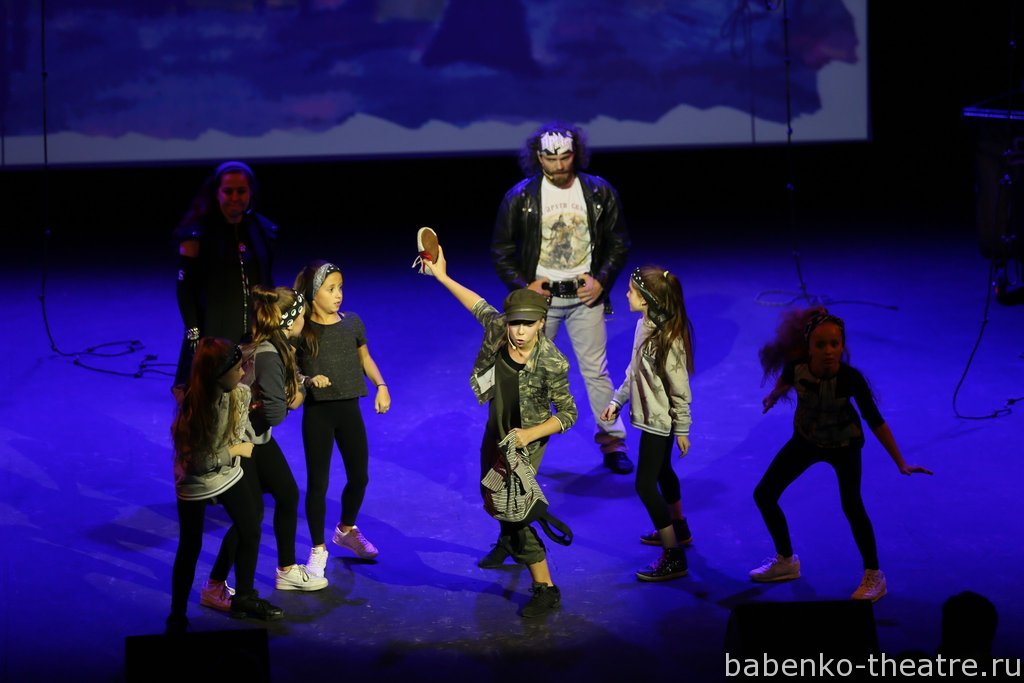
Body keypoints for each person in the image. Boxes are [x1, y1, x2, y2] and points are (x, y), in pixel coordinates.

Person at [424, 245, 577, 617]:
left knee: (517, 512)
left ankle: (545, 587)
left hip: (525, 444)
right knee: (491, 492)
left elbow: (568, 414)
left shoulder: (552, 362)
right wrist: (442, 276)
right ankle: (507, 541)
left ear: (541, 323)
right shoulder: (498, 329)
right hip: (497, 430)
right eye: (514, 323)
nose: (519, 331)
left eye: (528, 324)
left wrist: (528, 435)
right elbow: (476, 304)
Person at [751, 307, 933, 602]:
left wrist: (900, 461)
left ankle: (874, 575)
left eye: (834, 344)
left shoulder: (851, 378)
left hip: (844, 447)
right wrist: (774, 395)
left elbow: (875, 421)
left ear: (842, 346)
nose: (828, 351)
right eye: (820, 344)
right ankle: (786, 561)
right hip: (806, 441)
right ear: (809, 347)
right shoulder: (797, 366)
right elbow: (786, 378)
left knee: (852, 506)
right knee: (764, 494)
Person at [491, 122, 632, 474]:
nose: (559, 165)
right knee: (529, 373)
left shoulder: (598, 191)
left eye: (565, 157)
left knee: (596, 372)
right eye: (551, 159)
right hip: (541, 302)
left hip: (585, 297)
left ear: (575, 154)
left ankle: (613, 441)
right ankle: (520, 446)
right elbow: (501, 250)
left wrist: (602, 281)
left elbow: (618, 243)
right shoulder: (520, 197)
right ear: (538, 158)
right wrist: (524, 286)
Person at [200, 287, 328, 612]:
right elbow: (276, 413)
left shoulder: (269, 344)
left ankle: (286, 569)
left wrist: (301, 382)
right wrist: (297, 397)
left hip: (258, 438)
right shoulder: (269, 354)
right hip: (242, 443)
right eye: (302, 316)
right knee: (250, 517)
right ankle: (218, 587)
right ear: (289, 322)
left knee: (287, 494)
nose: (305, 320)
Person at [166, 337, 283, 634]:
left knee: (250, 526)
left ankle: (244, 596)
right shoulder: (193, 410)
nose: (243, 373)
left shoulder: (240, 393)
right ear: (217, 374)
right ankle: (177, 615)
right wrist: (233, 451)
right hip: (195, 482)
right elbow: (195, 463)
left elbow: (239, 431)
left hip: (228, 473)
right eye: (237, 369)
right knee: (190, 545)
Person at [293, 261, 390, 577]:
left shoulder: (352, 323)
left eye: (340, 288)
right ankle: (317, 548)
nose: (338, 295)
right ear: (313, 294)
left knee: (360, 477)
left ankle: (346, 530)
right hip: (319, 413)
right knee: (318, 484)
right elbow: (291, 370)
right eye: (330, 289)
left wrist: (381, 386)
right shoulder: (303, 330)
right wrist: (308, 380)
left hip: (349, 410)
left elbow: (365, 358)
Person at [601, 266, 694, 582]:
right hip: (652, 418)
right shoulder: (645, 325)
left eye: (631, 291)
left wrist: (682, 428)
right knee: (664, 471)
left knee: (644, 484)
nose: (626, 294)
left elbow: (680, 388)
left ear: (647, 299)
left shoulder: (666, 337)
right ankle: (679, 528)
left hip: (660, 421)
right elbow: (635, 369)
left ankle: (673, 556)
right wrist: (617, 401)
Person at [173, 160, 277, 389]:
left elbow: (267, 279)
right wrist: (193, 331)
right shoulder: (196, 234)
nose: (235, 197)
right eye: (228, 191)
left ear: (251, 192)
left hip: (253, 328)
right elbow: (185, 288)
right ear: (216, 193)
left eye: (241, 191)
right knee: (210, 395)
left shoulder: (263, 229)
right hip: (214, 329)